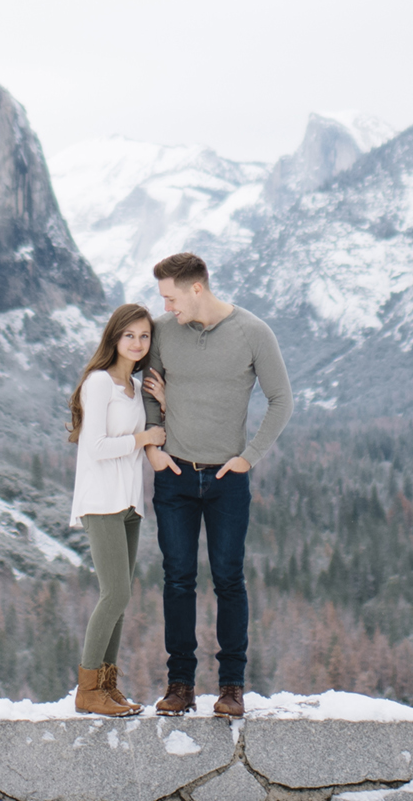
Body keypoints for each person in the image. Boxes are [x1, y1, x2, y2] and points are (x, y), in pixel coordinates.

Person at [140, 251, 290, 718]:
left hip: (227, 481)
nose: (166, 308)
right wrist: (154, 451)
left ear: (196, 288)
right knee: (178, 581)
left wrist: (249, 457)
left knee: (229, 580)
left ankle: (231, 688)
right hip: (176, 477)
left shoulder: (253, 333)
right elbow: (151, 389)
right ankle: (180, 685)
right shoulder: (164, 332)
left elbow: (281, 400)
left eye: (170, 297)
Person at [67, 302, 167, 716]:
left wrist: (162, 401)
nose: (138, 343)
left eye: (144, 336)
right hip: (101, 500)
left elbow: (156, 433)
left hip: (128, 503)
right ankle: (87, 689)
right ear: (114, 337)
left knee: (120, 598)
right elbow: (95, 447)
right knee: (116, 593)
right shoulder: (99, 382)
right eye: (130, 335)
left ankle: (106, 686)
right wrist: (142, 438)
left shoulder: (134, 387)